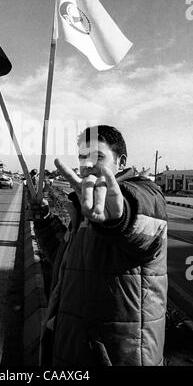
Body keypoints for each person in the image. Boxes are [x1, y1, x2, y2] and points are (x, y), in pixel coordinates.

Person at [30, 125, 167, 366]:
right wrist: (45, 221)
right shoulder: (84, 208)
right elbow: (69, 263)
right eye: (83, 158)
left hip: (118, 355)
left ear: (121, 161)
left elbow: (142, 220)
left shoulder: (143, 194)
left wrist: (119, 219)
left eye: (97, 157)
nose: (87, 165)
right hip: (70, 348)